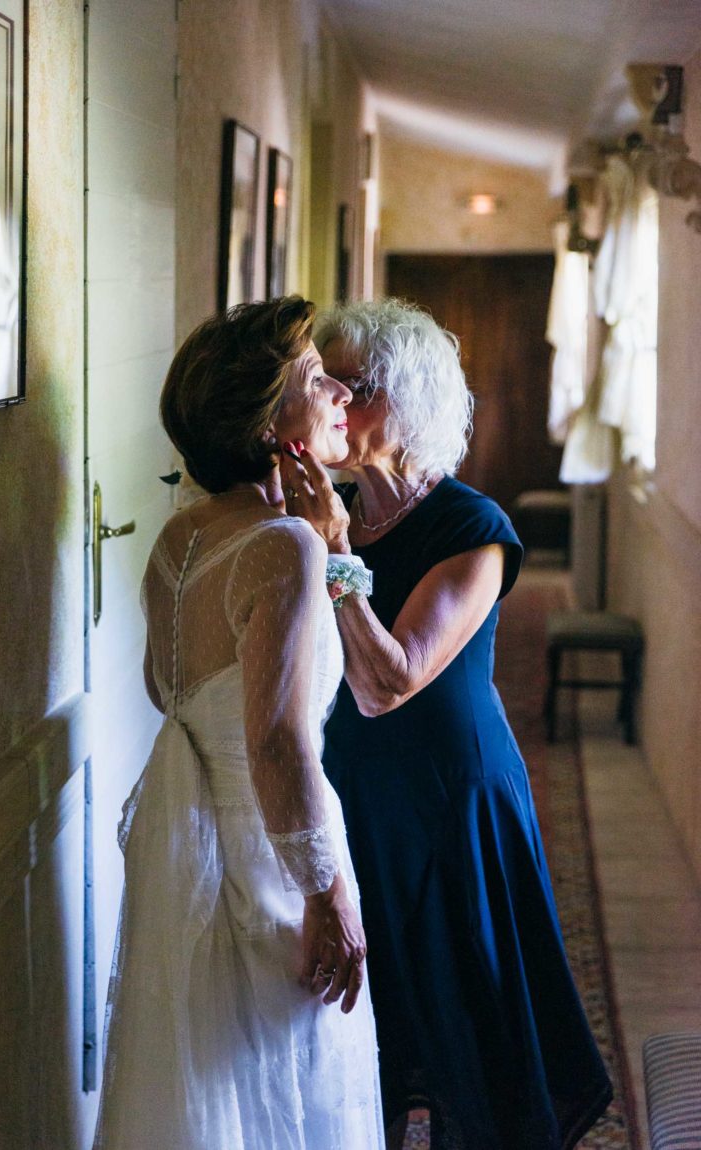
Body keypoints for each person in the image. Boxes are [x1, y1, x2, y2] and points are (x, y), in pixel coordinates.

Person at [279, 297, 613, 1150]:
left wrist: (336, 552)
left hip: (450, 800)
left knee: (474, 1030)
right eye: (330, 386)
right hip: (357, 795)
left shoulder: (473, 528)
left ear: (408, 401)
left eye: (353, 387)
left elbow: (388, 683)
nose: (337, 405)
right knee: (369, 1033)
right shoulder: (321, 509)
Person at [94, 296, 384, 1150]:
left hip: (192, 860)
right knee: (286, 1100)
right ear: (272, 421)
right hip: (272, 870)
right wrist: (327, 896)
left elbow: (173, 698)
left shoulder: (178, 541)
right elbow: (277, 743)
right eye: (314, 377)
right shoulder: (282, 544)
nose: (339, 390)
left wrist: (331, 544)